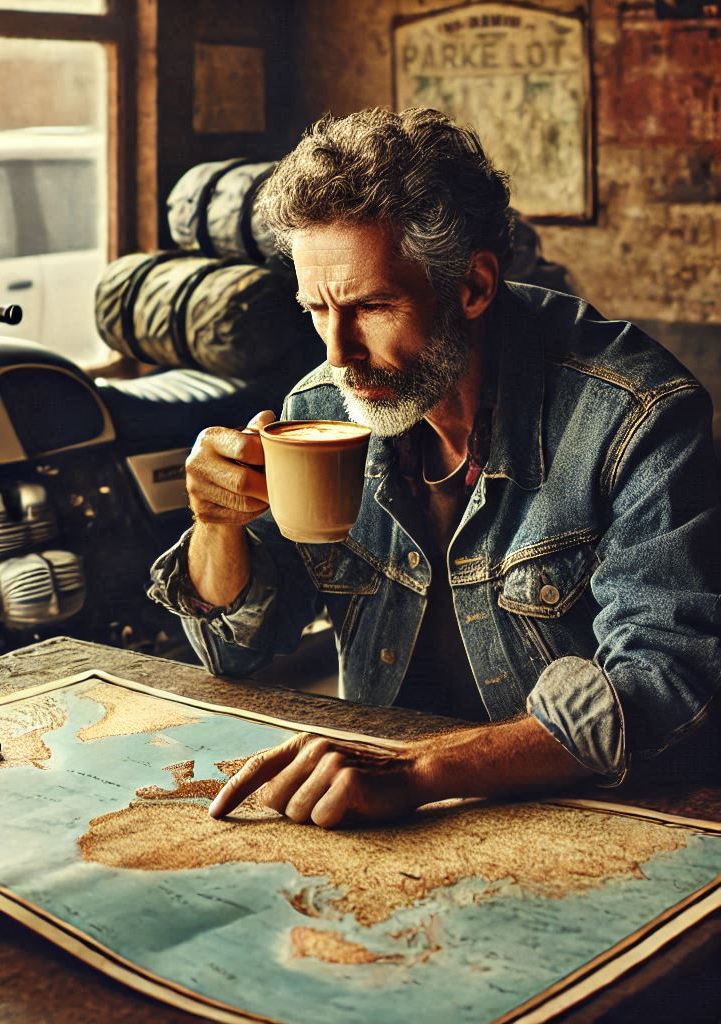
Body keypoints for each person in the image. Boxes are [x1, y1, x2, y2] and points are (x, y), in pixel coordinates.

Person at [148, 107, 720, 830]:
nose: (338, 353)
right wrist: (215, 525)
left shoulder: (635, 416)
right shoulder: (324, 405)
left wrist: (418, 772)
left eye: (370, 307)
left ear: (473, 286)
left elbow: (668, 687)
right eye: (316, 310)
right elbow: (236, 652)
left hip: (601, 820)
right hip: (385, 821)